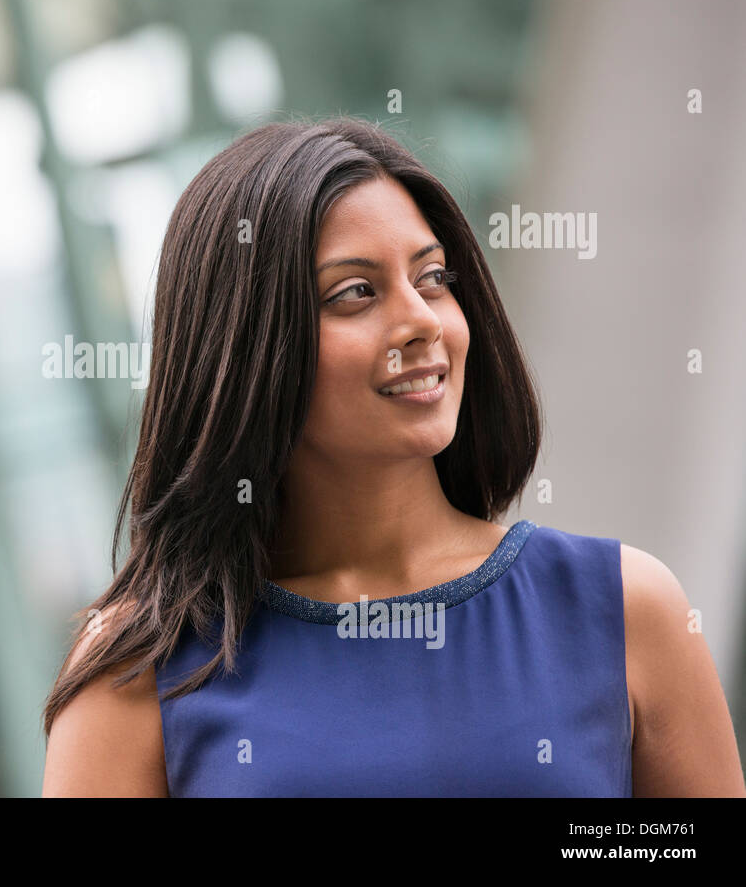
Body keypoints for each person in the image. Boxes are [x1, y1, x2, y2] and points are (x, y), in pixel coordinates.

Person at [40, 117, 746, 797]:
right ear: (248, 346)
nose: (421, 319)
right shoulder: (138, 671)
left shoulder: (627, 609)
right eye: (356, 293)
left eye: (433, 277)